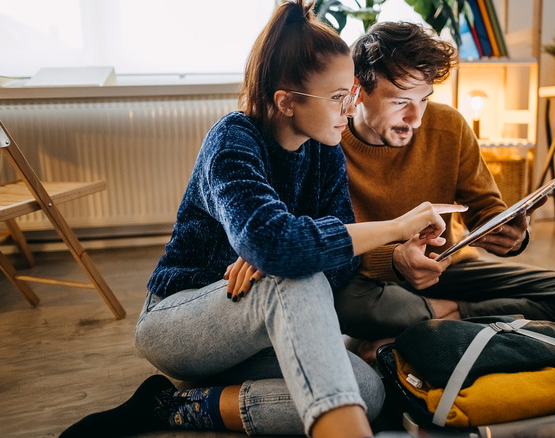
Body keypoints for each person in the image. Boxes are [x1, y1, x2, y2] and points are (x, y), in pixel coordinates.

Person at [60, 3, 459, 438]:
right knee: (295, 276)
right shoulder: (232, 140)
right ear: (286, 102)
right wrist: (396, 228)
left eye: (352, 93)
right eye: (337, 96)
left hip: (259, 326)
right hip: (179, 320)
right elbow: (276, 245)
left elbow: (340, 268)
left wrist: (280, 251)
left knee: (367, 391)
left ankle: (173, 406)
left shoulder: (325, 151)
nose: (351, 107)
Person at [335, 22, 555, 360]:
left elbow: (485, 207)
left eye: (424, 99)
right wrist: (393, 259)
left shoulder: (448, 126)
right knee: (342, 302)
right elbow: (328, 243)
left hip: (446, 269)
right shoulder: (329, 141)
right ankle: (467, 324)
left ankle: (445, 317)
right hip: (369, 279)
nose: (415, 118)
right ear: (358, 90)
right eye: (401, 101)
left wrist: (509, 233)